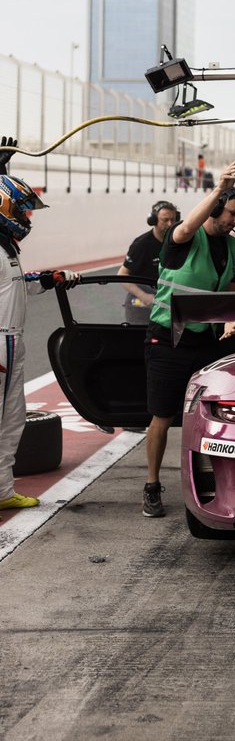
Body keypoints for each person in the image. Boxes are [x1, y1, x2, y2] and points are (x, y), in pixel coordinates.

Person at [142, 159, 235, 518]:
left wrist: (231, 324)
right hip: (168, 341)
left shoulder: (232, 248)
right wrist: (218, 187)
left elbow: (229, 294)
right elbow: (187, 226)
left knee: (209, 415)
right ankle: (152, 486)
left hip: (206, 343)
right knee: (161, 416)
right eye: (231, 213)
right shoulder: (184, 239)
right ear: (216, 208)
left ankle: (210, 480)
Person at [0, 144, 79, 514]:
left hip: (10, 341)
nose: (28, 216)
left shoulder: (7, 249)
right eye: (22, 208)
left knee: (12, 420)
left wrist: (50, 279)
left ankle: (2, 491)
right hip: (0, 342)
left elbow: (18, 284)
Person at [117, 201, 179, 324]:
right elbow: (122, 275)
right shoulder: (141, 244)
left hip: (166, 304)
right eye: (165, 220)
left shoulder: (177, 243)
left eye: (173, 220)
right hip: (141, 306)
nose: (170, 224)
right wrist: (144, 296)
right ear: (153, 220)